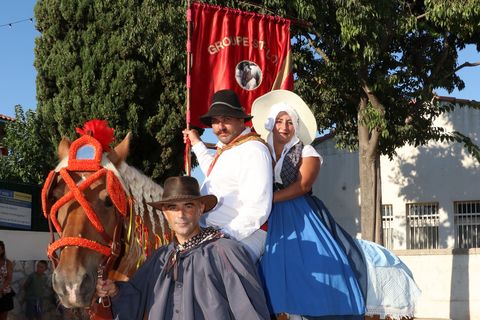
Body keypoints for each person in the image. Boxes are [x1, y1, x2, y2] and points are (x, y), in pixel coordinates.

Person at [251, 90, 365, 319]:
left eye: (290, 122)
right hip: (263, 210)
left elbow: (302, 186)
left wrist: (268, 199)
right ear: (271, 123)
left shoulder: (307, 151)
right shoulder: (259, 150)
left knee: (306, 256)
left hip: (298, 210)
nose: (284, 126)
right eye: (280, 121)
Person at [96, 176, 270, 320]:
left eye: (188, 206)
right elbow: (135, 296)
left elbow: (250, 313)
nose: (180, 215)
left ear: (200, 208)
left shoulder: (227, 252)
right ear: (165, 213)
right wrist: (115, 291)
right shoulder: (160, 258)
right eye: (173, 207)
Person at [183, 89, 273, 262]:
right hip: (211, 232)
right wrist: (196, 142)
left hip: (245, 235)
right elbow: (212, 170)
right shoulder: (229, 149)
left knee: (206, 270)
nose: (220, 127)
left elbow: (257, 208)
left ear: (241, 120)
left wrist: (223, 235)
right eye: (215, 122)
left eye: (226, 120)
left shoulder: (253, 150)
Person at [0, 240, 14, 320]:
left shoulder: (7, 263)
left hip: (5, 294)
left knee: (3, 317)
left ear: (2, 250)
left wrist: (0, 289)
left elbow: (9, 279)